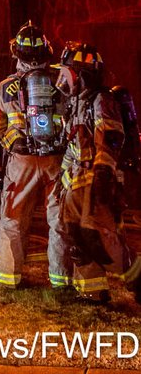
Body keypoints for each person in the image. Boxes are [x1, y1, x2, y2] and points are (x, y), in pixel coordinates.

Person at [0, 20, 70, 290]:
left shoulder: (4, 88)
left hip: (21, 162)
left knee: (12, 219)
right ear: (47, 52)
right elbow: (74, 115)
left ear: (16, 53)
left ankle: (7, 279)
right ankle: (61, 278)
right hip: (57, 160)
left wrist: (14, 142)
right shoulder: (61, 82)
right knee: (59, 220)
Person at [53, 42, 141, 303]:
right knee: (75, 237)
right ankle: (93, 291)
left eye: (67, 72)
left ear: (81, 75)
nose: (62, 79)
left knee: (102, 241)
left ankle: (139, 280)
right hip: (77, 182)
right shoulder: (75, 104)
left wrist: (103, 175)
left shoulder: (102, 100)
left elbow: (112, 137)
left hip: (96, 180)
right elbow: (73, 146)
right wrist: (62, 180)